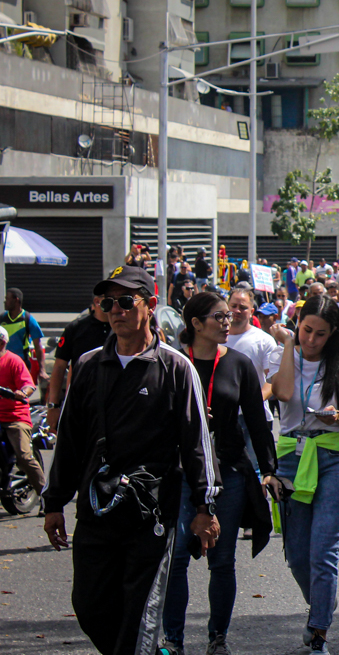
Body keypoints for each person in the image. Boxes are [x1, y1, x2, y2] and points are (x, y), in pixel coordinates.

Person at [42, 266, 220, 655]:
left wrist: (205, 507)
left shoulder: (175, 367)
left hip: (150, 516)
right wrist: (53, 502)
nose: (116, 310)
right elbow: (69, 442)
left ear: (151, 305)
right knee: (90, 606)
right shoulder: (88, 365)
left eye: (126, 301)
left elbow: (196, 445)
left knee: (139, 617)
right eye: (108, 303)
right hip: (96, 511)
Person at [161, 293, 277, 655]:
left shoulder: (239, 364)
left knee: (222, 559)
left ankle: (218, 638)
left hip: (228, 471)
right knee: (177, 555)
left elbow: (258, 423)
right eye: (218, 317)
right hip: (181, 473)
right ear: (195, 324)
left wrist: (269, 470)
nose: (227, 322)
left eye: (229, 316)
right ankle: (174, 641)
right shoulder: (176, 364)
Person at [267, 295, 339, 653]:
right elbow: (281, 393)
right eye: (306, 330)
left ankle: (318, 633)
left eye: (321, 334)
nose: (311, 340)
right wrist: (286, 345)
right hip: (291, 459)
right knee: (297, 555)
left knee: (323, 550)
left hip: (335, 455)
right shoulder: (283, 354)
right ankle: (322, 602)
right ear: (297, 322)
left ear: (333, 334)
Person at [45, 295, 112, 433]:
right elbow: (59, 368)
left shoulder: (121, 328)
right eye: (109, 300)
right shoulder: (76, 329)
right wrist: (53, 406)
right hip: (80, 404)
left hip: (114, 403)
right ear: (97, 301)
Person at [0, 329, 45, 504]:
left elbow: (28, 384)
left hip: (14, 417)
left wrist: (21, 392)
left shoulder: (13, 361)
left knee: (24, 456)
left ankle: (47, 497)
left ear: (2, 342)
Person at [3, 287, 46, 382]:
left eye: (7, 299)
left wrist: (42, 370)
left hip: (22, 365)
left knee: (21, 394)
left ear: (16, 300)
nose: (4, 301)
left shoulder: (28, 319)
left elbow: (38, 347)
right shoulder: (2, 319)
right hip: (3, 364)